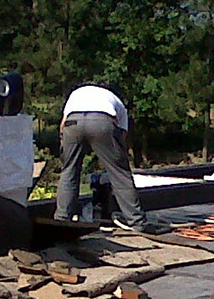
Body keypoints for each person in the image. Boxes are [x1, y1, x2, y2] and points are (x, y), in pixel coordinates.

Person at [54, 84, 150, 230]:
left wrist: (65, 147)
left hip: (73, 123)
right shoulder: (118, 103)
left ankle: (61, 220)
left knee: (69, 172)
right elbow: (121, 138)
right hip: (102, 121)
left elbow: (63, 125)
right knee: (120, 174)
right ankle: (136, 221)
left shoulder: (76, 94)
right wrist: (113, 158)